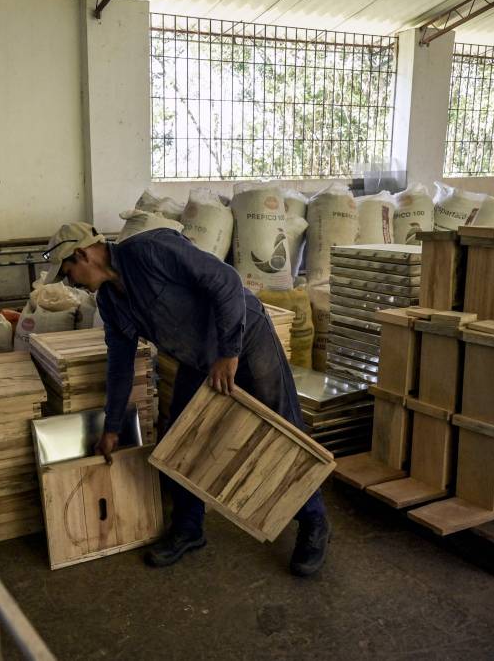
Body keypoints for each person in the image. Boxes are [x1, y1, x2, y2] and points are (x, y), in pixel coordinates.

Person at [42, 222, 330, 576]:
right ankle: (189, 529)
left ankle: (314, 524)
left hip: (247, 338)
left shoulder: (150, 250)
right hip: (199, 358)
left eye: (68, 271)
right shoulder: (111, 303)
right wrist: (112, 426)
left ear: (83, 253)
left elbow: (224, 281)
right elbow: (119, 365)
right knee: (181, 436)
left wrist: (228, 352)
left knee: (283, 431)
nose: (69, 281)